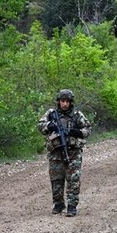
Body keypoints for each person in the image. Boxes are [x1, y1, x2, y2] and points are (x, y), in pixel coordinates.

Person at [37, 89, 92, 217]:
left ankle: (72, 206)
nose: (65, 104)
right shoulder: (51, 113)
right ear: (59, 102)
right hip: (56, 152)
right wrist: (49, 126)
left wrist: (77, 132)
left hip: (73, 153)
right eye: (62, 101)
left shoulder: (77, 115)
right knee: (56, 179)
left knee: (73, 180)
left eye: (67, 101)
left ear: (71, 102)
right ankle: (58, 204)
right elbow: (40, 125)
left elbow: (88, 128)